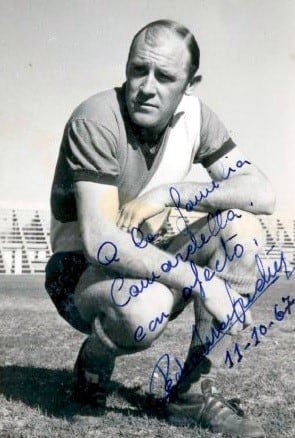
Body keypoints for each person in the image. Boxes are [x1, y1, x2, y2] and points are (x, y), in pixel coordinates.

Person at [45, 19, 275, 437]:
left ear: (190, 83)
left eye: (165, 76)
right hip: (80, 273)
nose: (146, 86)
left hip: (147, 261)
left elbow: (261, 192)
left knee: (240, 226)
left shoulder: (196, 116)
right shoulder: (97, 117)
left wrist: (172, 193)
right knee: (143, 310)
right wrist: (205, 282)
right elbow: (102, 243)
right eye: (138, 70)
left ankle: (191, 395)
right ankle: (93, 365)